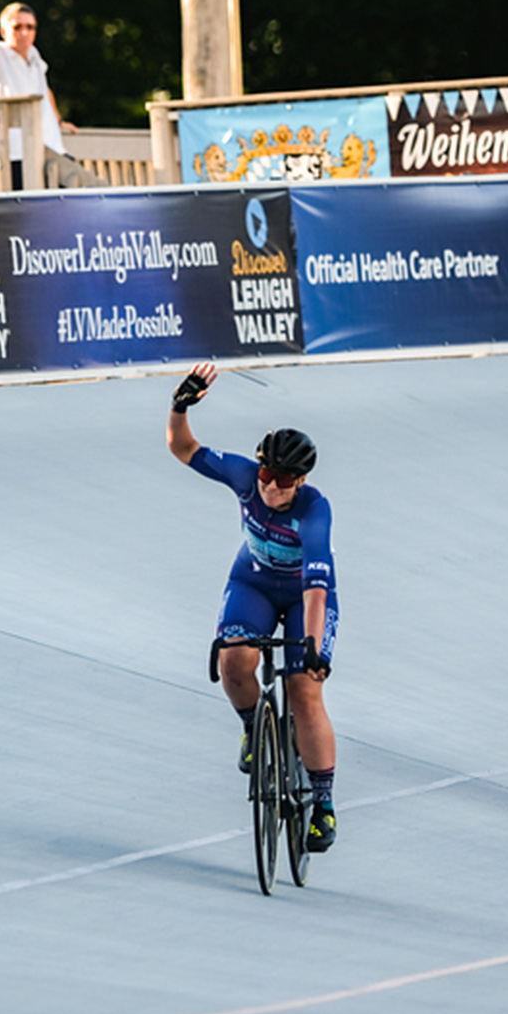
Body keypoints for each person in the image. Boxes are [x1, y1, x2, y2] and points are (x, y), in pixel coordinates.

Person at [166, 362, 339, 851]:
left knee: (304, 691)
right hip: (254, 582)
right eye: (266, 474)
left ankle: (323, 804)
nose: (270, 486)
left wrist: (310, 646)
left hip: (305, 595)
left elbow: (316, 585)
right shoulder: (244, 476)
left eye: (283, 479)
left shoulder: (314, 511)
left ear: (300, 480)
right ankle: (251, 727)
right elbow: (183, 447)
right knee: (233, 661)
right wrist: (180, 406)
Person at [0, 2, 105, 189]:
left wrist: (59, 121)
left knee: (83, 196)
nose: (24, 32)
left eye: (30, 27)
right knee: (87, 192)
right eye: (17, 27)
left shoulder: (34, 54)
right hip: (18, 153)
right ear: (3, 31)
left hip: (51, 147)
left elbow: (45, 91)